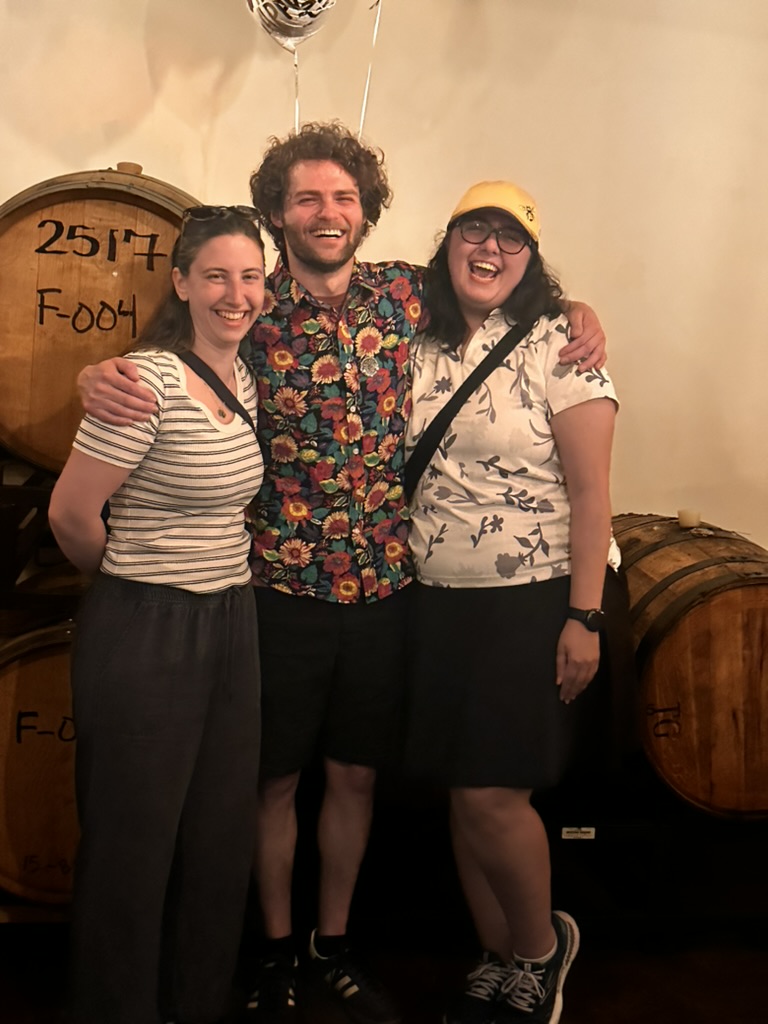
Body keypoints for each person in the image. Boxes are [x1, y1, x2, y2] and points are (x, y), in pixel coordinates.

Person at [76, 123, 608, 1024]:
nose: (328, 213)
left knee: (356, 778)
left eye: (344, 197)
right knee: (273, 783)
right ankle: (277, 950)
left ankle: (334, 944)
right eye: (308, 198)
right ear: (280, 212)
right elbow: (161, 360)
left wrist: (583, 312)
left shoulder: (406, 295)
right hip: (276, 588)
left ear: (366, 211)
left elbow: (507, 287)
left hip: (384, 587)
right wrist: (93, 376)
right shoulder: (250, 301)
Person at [403, 180, 621, 1024]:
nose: (489, 250)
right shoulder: (416, 338)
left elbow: (593, 494)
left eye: (510, 238)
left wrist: (584, 618)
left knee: (495, 794)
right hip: (436, 597)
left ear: (530, 257)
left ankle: (540, 951)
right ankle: (497, 954)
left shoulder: (560, 344)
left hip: (529, 597)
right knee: (463, 790)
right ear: (447, 242)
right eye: (474, 231)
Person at [49, 206, 266, 1024]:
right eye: (216, 276)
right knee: (132, 846)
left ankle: (193, 1004)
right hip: (147, 628)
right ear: (181, 283)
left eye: (249, 277)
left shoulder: (246, 376)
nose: (235, 294)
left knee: (218, 836)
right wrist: (135, 584)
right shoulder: (146, 382)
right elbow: (71, 514)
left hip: (232, 622)